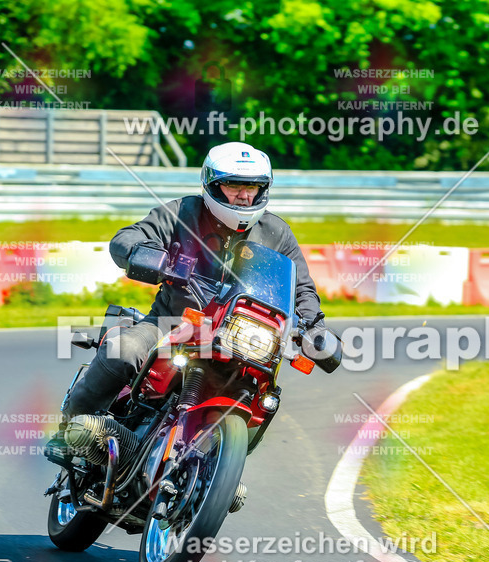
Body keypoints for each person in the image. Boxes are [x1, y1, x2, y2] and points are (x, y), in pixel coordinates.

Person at [60, 141, 326, 425]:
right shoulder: (182, 213)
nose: (244, 196)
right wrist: (149, 256)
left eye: (252, 187)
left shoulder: (277, 232)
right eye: (233, 185)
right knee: (124, 350)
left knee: (264, 395)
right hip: (172, 323)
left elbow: (301, 288)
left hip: (243, 340)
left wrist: (314, 327)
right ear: (212, 185)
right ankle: (73, 426)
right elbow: (127, 238)